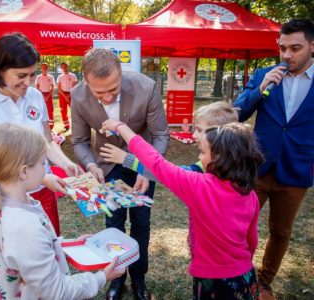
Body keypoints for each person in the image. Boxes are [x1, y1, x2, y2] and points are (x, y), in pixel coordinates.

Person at [102, 120, 264, 300]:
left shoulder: (199, 186)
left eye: (203, 152)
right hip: (246, 276)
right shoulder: (250, 196)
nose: (200, 158)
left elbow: (157, 163)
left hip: (214, 282)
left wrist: (121, 127)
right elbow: (252, 241)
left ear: (219, 158)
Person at [0, 123, 124, 299]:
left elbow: (32, 251)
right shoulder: (24, 227)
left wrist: (67, 245)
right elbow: (57, 292)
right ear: (23, 172)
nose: (45, 169)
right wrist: (101, 277)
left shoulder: (5, 200)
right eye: (42, 163)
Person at [71, 48, 169, 300]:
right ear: (85, 81)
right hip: (105, 166)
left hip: (142, 163)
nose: (106, 97)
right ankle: (116, 279)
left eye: (112, 89)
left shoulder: (146, 87)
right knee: (112, 224)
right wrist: (90, 165)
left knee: (141, 223)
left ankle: (139, 277)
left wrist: (147, 169)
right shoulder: (77, 95)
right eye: (98, 91)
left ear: (121, 75)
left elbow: (160, 135)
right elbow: (80, 141)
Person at [0, 33, 81, 237]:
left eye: (32, 75)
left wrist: (65, 164)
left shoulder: (35, 97)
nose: (28, 82)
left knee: (51, 245)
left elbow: (47, 141)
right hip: (9, 199)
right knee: (20, 259)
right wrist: (43, 178)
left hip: (43, 192)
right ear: (0, 70)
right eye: (21, 76)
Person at [233, 19, 314, 300]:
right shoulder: (264, 73)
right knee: (241, 226)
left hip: (297, 170)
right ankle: (238, 275)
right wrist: (260, 89)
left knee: (280, 232)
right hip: (257, 167)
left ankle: (264, 282)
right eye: (282, 48)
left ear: (312, 46)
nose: (287, 55)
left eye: (295, 48)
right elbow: (237, 113)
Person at [100, 101, 239, 181]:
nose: (194, 135)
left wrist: (125, 157)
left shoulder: (202, 181)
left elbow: (164, 172)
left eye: (200, 130)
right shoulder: (240, 175)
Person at [57, 62, 78, 131]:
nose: (64, 68)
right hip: (62, 94)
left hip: (71, 94)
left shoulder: (73, 76)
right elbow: (59, 89)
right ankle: (66, 125)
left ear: (67, 66)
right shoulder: (60, 77)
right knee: (63, 110)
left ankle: (76, 124)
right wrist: (65, 96)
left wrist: (69, 95)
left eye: (65, 66)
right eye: (62, 67)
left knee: (74, 110)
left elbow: (75, 86)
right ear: (61, 68)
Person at [35, 63, 55, 129]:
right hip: (41, 95)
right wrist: (43, 96)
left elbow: (52, 87)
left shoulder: (51, 77)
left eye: (46, 67)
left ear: (47, 68)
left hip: (49, 95)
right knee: (40, 110)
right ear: (41, 68)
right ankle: (41, 125)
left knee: (50, 110)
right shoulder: (38, 77)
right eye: (43, 67)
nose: (45, 68)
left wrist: (48, 96)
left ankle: (51, 126)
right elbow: (37, 87)